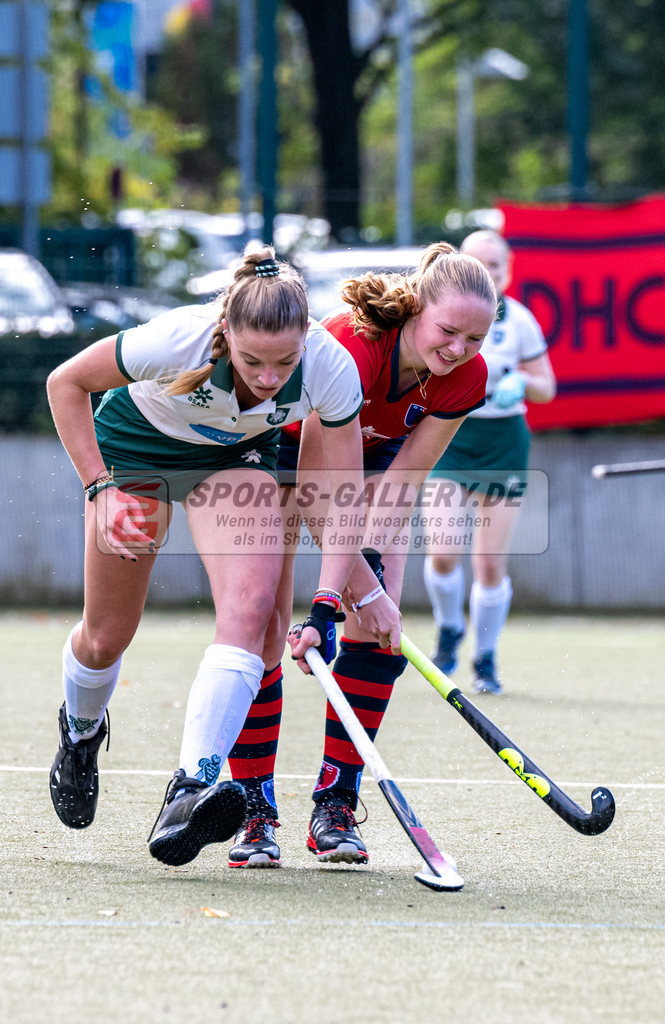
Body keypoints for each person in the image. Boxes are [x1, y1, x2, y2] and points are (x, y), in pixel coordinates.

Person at [46, 244, 397, 868]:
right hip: (135, 448)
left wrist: (325, 605)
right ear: (225, 332)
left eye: (284, 363)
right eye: (253, 361)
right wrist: (98, 488)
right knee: (106, 637)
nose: (268, 378)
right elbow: (65, 382)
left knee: (254, 606)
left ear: (305, 341)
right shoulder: (176, 339)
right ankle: (79, 731)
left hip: (235, 461)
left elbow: (339, 501)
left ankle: (191, 785)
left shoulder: (330, 366)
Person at [225, 241, 498, 869]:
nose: (458, 349)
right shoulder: (354, 343)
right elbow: (321, 487)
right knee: (263, 620)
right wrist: (353, 591)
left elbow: (403, 479)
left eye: (475, 339)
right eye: (448, 330)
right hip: (278, 456)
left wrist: (372, 591)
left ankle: (336, 802)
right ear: (416, 308)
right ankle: (253, 808)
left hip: (369, 472)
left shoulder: (466, 377)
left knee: (379, 638)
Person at [423, 229, 556, 695]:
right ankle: (448, 628)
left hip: (502, 442)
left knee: (489, 564)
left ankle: (485, 657)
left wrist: (520, 380)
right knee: (442, 551)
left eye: (495, 266)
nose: (488, 274)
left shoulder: (518, 320)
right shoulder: (436, 317)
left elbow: (547, 386)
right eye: (478, 264)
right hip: (449, 436)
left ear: (508, 270)